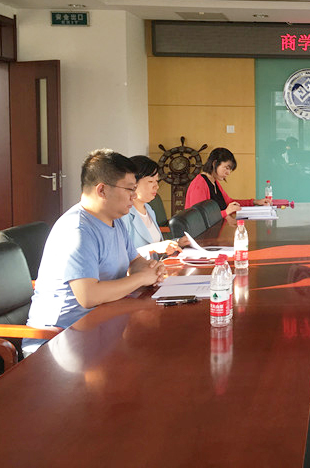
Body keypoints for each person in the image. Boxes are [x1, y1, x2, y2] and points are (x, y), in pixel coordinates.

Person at [24, 150, 166, 354]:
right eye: (129, 189)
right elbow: (88, 295)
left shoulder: (115, 220)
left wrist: (152, 268)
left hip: (100, 325)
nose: (134, 196)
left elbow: (134, 260)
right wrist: (142, 278)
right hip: (59, 339)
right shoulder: (77, 230)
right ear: (102, 190)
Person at [120, 155, 187, 258]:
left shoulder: (149, 209)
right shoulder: (123, 215)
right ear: (133, 183)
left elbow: (157, 245)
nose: (156, 186)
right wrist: (152, 248)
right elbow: (121, 257)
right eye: (151, 181)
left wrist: (177, 242)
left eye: (157, 181)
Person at [184, 147, 270, 218]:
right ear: (214, 163)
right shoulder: (199, 184)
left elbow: (229, 202)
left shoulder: (214, 182)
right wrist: (225, 212)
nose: (228, 173)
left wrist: (255, 202)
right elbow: (198, 217)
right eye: (226, 168)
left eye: (230, 169)